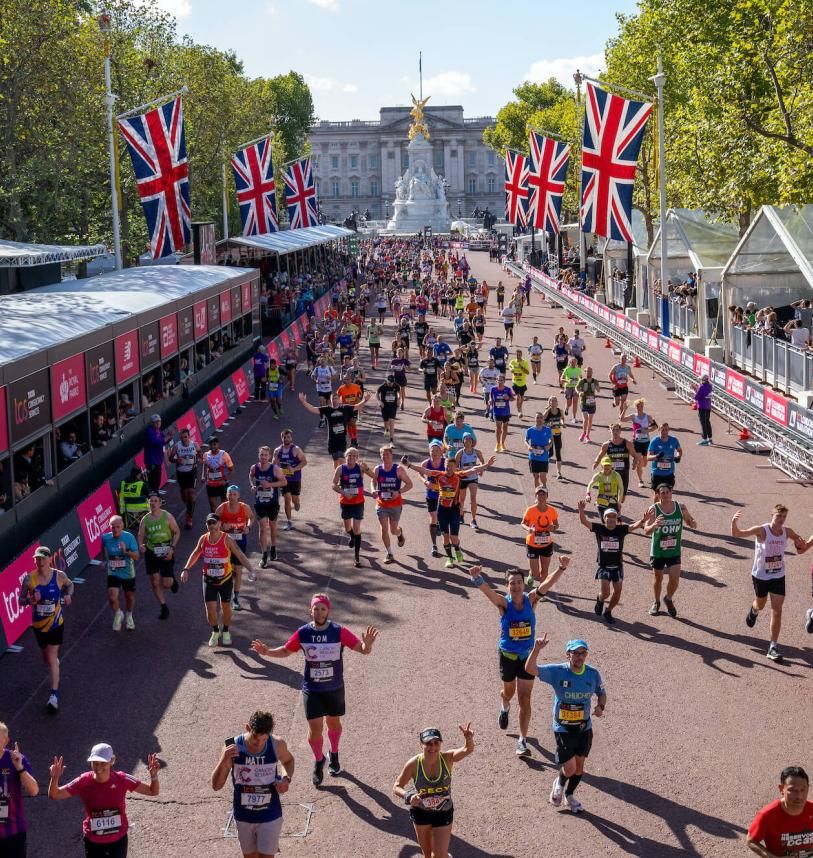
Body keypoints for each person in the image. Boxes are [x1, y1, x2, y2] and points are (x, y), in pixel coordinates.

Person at [250, 594, 378, 786]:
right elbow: (286, 650)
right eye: (316, 609)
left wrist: (367, 645)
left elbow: (362, 649)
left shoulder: (338, 631)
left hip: (334, 688)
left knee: (334, 724)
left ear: (328, 611)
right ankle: (319, 760)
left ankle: (334, 755)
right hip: (313, 689)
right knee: (315, 729)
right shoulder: (303, 633)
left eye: (323, 609)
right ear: (310, 611)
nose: (319, 612)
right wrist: (267, 652)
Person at [466, 561, 568, 756]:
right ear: (507, 586)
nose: (516, 586)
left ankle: (522, 741)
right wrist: (477, 578)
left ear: (524, 584)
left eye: (519, 582)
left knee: (525, 698)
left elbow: (546, 583)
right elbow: (489, 594)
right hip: (507, 657)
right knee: (508, 693)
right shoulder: (504, 604)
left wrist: (561, 568)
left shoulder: (531, 600)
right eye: (512, 583)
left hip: (527, 657)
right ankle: (504, 707)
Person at [524, 637, 607, 814]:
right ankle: (559, 783)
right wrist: (537, 649)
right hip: (563, 728)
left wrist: (600, 706)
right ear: (568, 655)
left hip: (584, 728)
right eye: (575, 653)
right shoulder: (557, 672)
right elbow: (530, 669)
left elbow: (602, 692)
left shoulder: (592, 674)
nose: (579, 657)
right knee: (570, 768)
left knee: (579, 767)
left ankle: (569, 796)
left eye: (582, 653)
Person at [48, 743, 160, 858]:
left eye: (103, 763)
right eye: (95, 763)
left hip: (118, 839)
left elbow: (153, 791)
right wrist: (55, 777)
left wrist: (154, 776)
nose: (98, 767)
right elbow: (55, 795)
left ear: (111, 761)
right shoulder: (83, 781)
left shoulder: (122, 779)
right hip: (93, 841)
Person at [211, 710, 295, 858]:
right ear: (248, 728)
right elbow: (216, 786)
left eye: (264, 739)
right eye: (256, 739)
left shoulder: (277, 744)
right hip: (243, 816)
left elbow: (288, 761)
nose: (259, 743)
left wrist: (286, 778)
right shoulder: (232, 746)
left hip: (270, 815)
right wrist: (223, 760)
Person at [731, 506, 809, 663]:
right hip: (761, 576)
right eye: (779, 516)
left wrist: (800, 542)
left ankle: (773, 646)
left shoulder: (787, 531)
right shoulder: (762, 530)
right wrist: (734, 523)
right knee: (761, 604)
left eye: (784, 517)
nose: (781, 520)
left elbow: (799, 541)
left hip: (778, 575)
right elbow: (737, 534)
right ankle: (754, 610)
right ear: (772, 515)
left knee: (777, 611)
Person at [393, 724, 475, 858]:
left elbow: (467, 749)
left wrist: (469, 738)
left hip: (443, 812)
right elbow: (396, 786)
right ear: (421, 745)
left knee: (438, 855)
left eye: (436, 743)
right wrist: (408, 796)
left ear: (440, 744)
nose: (433, 747)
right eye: (428, 743)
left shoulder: (447, 758)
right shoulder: (414, 764)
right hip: (421, 813)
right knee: (427, 855)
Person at [403, 454, 493, 568]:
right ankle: (450, 558)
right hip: (442, 510)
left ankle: (457, 549)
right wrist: (409, 465)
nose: (449, 469)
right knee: (445, 536)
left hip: (454, 510)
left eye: (451, 466)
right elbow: (424, 470)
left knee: (453, 538)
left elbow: (473, 470)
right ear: (444, 467)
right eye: (447, 466)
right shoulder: (439, 475)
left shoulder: (459, 476)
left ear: (455, 467)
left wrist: (486, 465)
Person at [181, 513, 255, 647]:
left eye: (214, 523)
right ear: (206, 525)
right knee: (210, 609)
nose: (212, 526)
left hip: (225, 580)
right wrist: (186, 569)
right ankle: (215, 631)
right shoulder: (203, 539)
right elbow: (196, 553)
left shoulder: (227, 539)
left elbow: (239, 554)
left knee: (225, 607)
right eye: (209, 523)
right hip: (208, 580)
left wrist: (251, 569)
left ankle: (226, 631)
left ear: (219, 524)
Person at [18, 546, 74, 712]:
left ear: (50, 559)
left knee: (50, 659)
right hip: (38, 626)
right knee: (47, 658)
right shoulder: (29, 579)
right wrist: (30, 601)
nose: (40, 562)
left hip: (56, 624)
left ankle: (53, 696)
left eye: (43, 558)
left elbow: (70, 585)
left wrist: (68, 594)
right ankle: (53, 665)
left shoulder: (59, 576)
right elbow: (20, 601)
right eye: (37, 559)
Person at [577, 499, 642, 623]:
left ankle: (608, 611)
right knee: (606, 593)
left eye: (614, 516)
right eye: (608, 516)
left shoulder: (621, 529)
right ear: (604, 519)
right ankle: (600, 599)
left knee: (617, 592)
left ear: (617, 519)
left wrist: (643, 520)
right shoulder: (599, 529)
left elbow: (634, 526)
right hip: (604, 566)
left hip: (617, 566)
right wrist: (581, 511)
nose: (611, 519)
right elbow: (584, 522)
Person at [643, 484, 698, 618]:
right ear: (658, 494)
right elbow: (646, 530)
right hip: (658, 551)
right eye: (662, 493)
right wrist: (654, 525)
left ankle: (668, 598)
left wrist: (692, 523)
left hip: (674, 550)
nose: (665, 495)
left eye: (668, 492)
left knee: (675, 579)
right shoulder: (653, 509)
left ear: (671, 492)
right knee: (658, 578)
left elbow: (690, 521)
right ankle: (656, 602)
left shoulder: (681, 507)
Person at [746, 766, 813, 858]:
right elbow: (751, 841)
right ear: (781, 789)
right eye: (792, 790)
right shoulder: (767, 815)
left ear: (808, 788)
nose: (799, 796)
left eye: (803, 790)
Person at [137, 495, 181, 620]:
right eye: (151, 501)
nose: (153, 503)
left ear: (160, 503)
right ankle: (163, 606)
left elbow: (177, 532)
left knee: (166, 584)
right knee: (155, 581)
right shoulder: (145, 520)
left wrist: (172, 548)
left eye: (155, 501)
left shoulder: (167, 516)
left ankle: (172, 578)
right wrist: (141, 545)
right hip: (151, 552)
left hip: (166, 551)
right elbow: (140, 535)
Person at [0, 722, 39, 856]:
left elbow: (34, 791)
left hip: (13, 832)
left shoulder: (16, 759)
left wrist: (20, 768)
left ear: (6, 741)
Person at [371, 445, 413, 564]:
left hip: (395, 504)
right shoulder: (378, 469)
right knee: (384, 529)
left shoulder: (398, 469)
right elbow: (373, 481)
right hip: (381, 504)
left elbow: (409, 484)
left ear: (391, 455)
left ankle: (400, 533)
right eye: (383, 455)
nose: (385, 457)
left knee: (393, 530)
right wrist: (373, 490)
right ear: (380, 456)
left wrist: (398, 492)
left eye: (387, 454)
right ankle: (389, 553)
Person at [216, 486, 256, 612]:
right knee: (227, 569)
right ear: (226, 495)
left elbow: (252, 518)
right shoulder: (222, 508)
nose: (232, 497)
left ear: (238, 496)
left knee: (238, 570)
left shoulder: (244, 507)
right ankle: (227, 590)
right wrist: (222, 526)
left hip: (240, 541)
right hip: (225, 543)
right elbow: (213, 523)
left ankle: (235, 597)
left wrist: (248, 528)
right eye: (229, 494)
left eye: (234, 494)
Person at [333, 447, 374, 568]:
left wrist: (366, 468)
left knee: (357, 528)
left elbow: (374, 476)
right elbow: (333, 485)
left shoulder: (360, 467)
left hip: (358, 502)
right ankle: (351, 536)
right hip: (345, 502)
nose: (351, 458)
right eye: (349, 455)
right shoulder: (340, 468)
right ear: (345, 457)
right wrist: (344, 492)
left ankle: (356, 556)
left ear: (357, 458)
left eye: (354, 456)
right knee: (347, 528)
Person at [249, 446, 288, 567]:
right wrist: (253, 486)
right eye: (261, 455)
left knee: (272, 526)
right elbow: (250, 476)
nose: (263, 457)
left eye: (266, 455)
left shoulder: (275, 469)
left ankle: (274, 548)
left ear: (269, 456)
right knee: (262, 527)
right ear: (258, 456)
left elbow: (284, 482)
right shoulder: (254, 468)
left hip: (272, 502)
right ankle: (264, 555)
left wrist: (270, 484)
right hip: (260, 502)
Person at [102, 515, 139, 632]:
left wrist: (126, 551)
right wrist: (105, 561)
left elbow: (137, 556)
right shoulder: (105, 538)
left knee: (129, 596)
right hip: (113, 572)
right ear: (110, 527)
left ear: (122, 526)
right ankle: (118, 614)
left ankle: (129, 616)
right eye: (113, 527)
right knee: (112, 597)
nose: (116, 530)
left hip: (128, 573)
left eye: (118, 527)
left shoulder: (129, 538)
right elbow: (104, 550)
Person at [521, 486, 559, 584]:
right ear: (535, 496)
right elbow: (523, 523)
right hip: (532, 544)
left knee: (545, 571)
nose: (541, 496)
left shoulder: (552, 510)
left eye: (543, 494)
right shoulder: (530, 510)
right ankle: (531, 574)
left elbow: (556, 524)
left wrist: (553, 528)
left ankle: (541, 592)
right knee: (535, 572)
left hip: (546, 544)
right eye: (539, 494)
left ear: (547, 496)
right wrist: (528, 529)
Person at [273, 429, 308, 531]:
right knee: (287, 498)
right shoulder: (277, 451)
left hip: (295, 478)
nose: (286, 439)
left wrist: (294, 469)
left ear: (291, 438)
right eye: (284, 437)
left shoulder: (296, 449)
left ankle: (297, 503)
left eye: (288, 437)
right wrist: (276, 471)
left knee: (294, 499)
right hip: (284, 479)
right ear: (281, 438)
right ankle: (289, 522)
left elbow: (304, 462)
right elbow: (274, 464)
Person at [622, 398, 657, 488]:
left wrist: (647, 430)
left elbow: (655, 427)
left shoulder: (648, 417)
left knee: (644, 462)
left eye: (641, 406)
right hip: (636, 441)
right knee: (639, 461)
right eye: (638, 406)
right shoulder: (633, 416)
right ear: (635, 407)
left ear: (643, 406)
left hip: (646, 442)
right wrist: (624, 409)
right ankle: (640, 480)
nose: (640, 408)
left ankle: (639, 463)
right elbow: (622, 419)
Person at [593, 423, 636, 498]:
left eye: (617, 430)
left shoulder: (627, 443)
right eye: (613, 430)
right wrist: (596, 462)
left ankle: (617, 506)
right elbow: (600, 455)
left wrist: (634, 463)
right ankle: (613, 508)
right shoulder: (606, 445)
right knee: (612, 495)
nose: (615, 432)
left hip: (624, 472)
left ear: (620, 431)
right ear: (610, 431)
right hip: (611, 473)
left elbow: (635, 455)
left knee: (622, 497)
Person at [169, 426, 199, 528]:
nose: (184, 439)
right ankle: (189, 506)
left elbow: (200, 454)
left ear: (189, 437)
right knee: (185, 495)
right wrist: (176, 460)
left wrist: (200, 458)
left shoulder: (194, 445)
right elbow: (170, 459)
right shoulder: (177, 446)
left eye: (185, 437)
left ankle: (189, 518)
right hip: (181, 473)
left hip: (192, 472)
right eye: (182, 437)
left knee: (191, 493)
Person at [455, 433, 485, 531]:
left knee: (473, 498)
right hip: (463, 478)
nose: (468, 442)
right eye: (466, 440)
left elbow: (482, 461)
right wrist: (462, 471)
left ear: (472, 442)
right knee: (462, 499)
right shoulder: (460, 453)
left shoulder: (477, 452)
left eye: (470, 440)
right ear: (463, 441)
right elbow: (454, 467)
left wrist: (480, 469)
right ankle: (461, 514)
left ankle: (473, 520)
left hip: (473, 478)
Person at [647, 422, 682, 493]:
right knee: (657, 495)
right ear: (659, 430)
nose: (664, 432)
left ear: (669, 430)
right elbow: (648, 457)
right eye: (663, 430)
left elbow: (679, 450)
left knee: (668, 495)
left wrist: (678, 456)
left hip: (669, 473)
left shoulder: (674, 440)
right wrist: (656, 456)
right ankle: (656, 504)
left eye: (666, 430)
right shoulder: (654, 441)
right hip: (657, 473)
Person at [203, 435, 234, 513]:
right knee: (212, 505)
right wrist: (203, 476)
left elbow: (231, 469)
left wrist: (225, 480)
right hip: (211, 484)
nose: (213, 446)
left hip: (222, 484)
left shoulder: (224, 455)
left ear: (218, 444)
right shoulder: (206, 455)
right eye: (211, 444)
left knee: (224, 505)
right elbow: (205, 465)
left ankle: (224, 521)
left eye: (214, 444)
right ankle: (215, 522)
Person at [525, 411, 553, 491]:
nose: (539, 419)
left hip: (543, 457)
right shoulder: (530, 430)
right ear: (535, 419)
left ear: (543, 419)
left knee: (543, 476)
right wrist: (528, 446)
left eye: (541, 418)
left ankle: (544, 489)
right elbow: (525, 440)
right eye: (537, 417)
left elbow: (551, 440)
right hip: (533, 457)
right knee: (536, 476)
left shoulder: (547, 430)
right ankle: (537, 494)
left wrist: (549, 445)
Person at [491, 375, 516, 453]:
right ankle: (497, 444)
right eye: (498, 380)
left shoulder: (508, 389)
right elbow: (490, 398)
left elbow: (513, 399)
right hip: (497, 411)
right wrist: (490, 401)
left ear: (504, 381)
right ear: (496, 381)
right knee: (498, 428)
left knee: (505, 428)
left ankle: (503, 444)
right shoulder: (493, 389)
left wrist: (508, 397)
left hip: (506, 412)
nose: (500, 382)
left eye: (501, 380)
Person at [543, 396, 565, 481]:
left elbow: (562, 419)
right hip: (549, 435)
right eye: (552, 401)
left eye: (555, 401)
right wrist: (549, 423)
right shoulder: (547, 412)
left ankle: (558, 472)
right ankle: (544, 466)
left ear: (557, 402)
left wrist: (563, 423)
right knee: (550, 453)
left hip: (557, 434)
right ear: (550, 403)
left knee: (558, 453)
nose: (554, 402)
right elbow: (542, 421)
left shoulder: (560, 411)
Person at [143, 415, 167, 493]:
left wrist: (169, 437)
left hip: (158, 460)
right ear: (152, 423)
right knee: (153, 480)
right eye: (156, 422)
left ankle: (155, 494)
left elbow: (164, 441)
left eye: (159, 421)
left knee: (157, 479)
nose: (158, 423)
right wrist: (166, 438)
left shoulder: (159, 431)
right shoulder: (149, 431)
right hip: (152, 461)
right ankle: (154, 496)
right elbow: (156, 442)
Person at [576, 366, 600, 443]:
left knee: (590, 420)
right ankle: (583, 432)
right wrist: (579, 392)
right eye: (587, 371)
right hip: (584, 402)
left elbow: (598, 390)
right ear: (585, 372)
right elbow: (576, 388)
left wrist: (597, 387)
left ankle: (587, 435)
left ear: (592, 372)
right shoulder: (582, 381)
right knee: (585, 419)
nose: (588, 373)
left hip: (592, 403)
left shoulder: (595, 381)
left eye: (590, 371)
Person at [376, 374, 401, 440]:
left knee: (391, 422)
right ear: (386, 381)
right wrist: (379, 401)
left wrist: (398, 399)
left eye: (392, 382)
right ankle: (386, 429)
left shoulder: (396, 385)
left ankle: (391, 440)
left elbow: (398, 393)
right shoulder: (382, 386)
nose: (391, 384)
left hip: (393, 406)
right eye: (389, 383)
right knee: (386, 421)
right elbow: (377, 393)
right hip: (384, 406)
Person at [508, 348, 531, 418]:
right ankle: (519, 411)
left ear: (521, 355)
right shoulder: (512, 362)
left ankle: (520, 408)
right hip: (515, 382)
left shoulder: (525, 362)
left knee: (522, 398)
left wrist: (522, 367)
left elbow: (527, 372)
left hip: (522, 383)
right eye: (517, 354)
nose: (518, 355)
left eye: (519, 354)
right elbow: (510, 367)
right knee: (518, 397)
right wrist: (511, 369)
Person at [560, 357, 582, 424]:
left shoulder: (578, 369)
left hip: (576, 387)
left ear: (576, 363)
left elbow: (581, 378)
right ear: (569, 363)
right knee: (569, 403)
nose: (573, 363)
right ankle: (567, 408)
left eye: (574, 362)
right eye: (572, 362)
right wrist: (567, 381)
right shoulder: (567, 369)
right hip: (568, 387)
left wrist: (580, 382)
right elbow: (561, 379)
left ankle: (574, 417)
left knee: (575, 402)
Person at [693, 373, 714, 445]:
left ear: (702, 380)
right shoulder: (710, 386)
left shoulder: (701, 387)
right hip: (708, 406)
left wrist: (695, 389)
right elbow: (707, 395)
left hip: (702, 406)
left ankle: (704, 439)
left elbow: (696, 397)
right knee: (707, 422)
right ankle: (710, 438)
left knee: (703, 423)